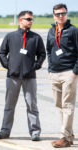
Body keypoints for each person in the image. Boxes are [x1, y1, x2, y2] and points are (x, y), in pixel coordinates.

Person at [0, 10, 46, 141]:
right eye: (28, 19)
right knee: (9, 105)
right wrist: (9, 66)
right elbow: (1, 53)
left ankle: (35, 131)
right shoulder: (10, 36)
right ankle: (5, 130)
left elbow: (42, 54)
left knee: (32, 105)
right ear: (20, 20)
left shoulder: (36, 38)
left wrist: (35, 66)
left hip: (30, 78)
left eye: (32, 19)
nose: (31, 21)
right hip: (13, 77)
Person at [46, 3, 78, 148]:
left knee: (67, 105)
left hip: (68, 73)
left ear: (67, 14)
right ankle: (69, 136)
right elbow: (49, 50)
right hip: (54, 73)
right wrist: (50, 68)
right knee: (59, 106)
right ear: (54, 15)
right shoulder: (51, 31)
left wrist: (75, 72)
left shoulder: (73, 31)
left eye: (63, 13)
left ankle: (64, 137)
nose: (60, 16)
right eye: (58, 14)